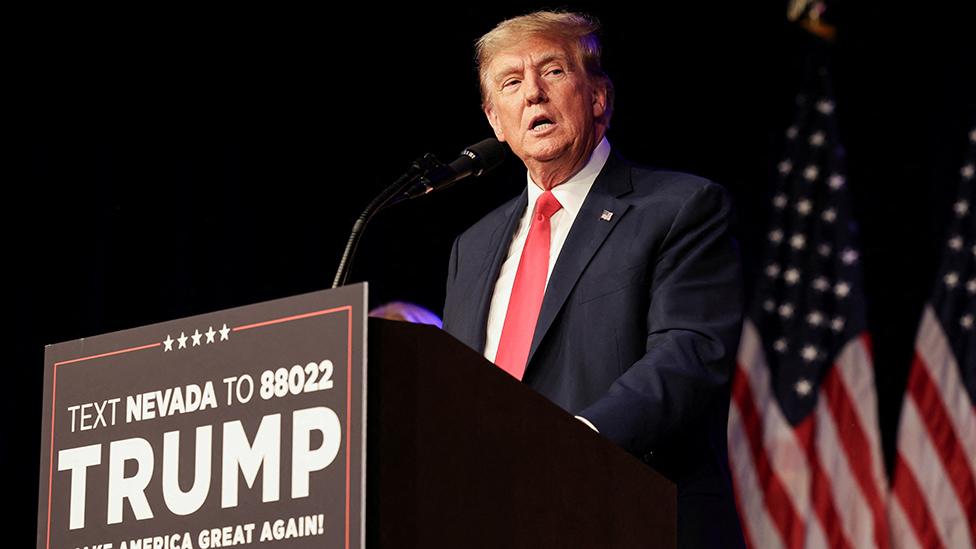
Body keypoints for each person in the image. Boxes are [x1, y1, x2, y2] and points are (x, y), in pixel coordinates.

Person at [442, 10, 745, 548]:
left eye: (552, 72)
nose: (532, 94)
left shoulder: (678, 207)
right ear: (495, 120)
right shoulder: (473, 247)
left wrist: (576, 444)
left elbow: (690, 352)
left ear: (599, 97)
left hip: (631, 513)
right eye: (512, 83)